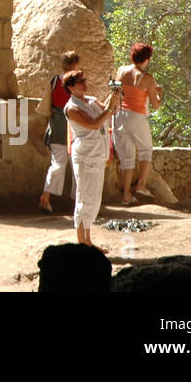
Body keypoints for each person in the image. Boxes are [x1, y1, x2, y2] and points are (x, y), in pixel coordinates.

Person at [63, 69, 119, 249]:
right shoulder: (72, 108)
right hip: (85, 155)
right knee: (85, 197)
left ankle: (87, 241)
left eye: (84, 80)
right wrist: (110, 107)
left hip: (97, 153)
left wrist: (114, 97)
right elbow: (94, 124)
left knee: (94, 198)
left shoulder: (92, 101)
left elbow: (111, 112)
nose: (84, 84)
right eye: (80, 82)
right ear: (71, 88)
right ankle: (82, 243)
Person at [113, 42, 162, 203]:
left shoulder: (121, 70)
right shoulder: (147, 78)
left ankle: (126, 195)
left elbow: (115, 90)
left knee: (127, 156)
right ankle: (141, 185)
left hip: (119, 115)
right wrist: (159, 94)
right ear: (147, 59)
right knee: (146, 150)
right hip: (137, 116)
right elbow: (156, 105)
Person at [38, 50, 79, 213]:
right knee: (77, 165)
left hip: (55, 129)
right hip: (74, 130)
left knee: (57, 164)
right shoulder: (76, 83)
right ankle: (78, 202)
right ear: (75, 65)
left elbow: (45, 105)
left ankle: (46, 197)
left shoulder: (54, 81)